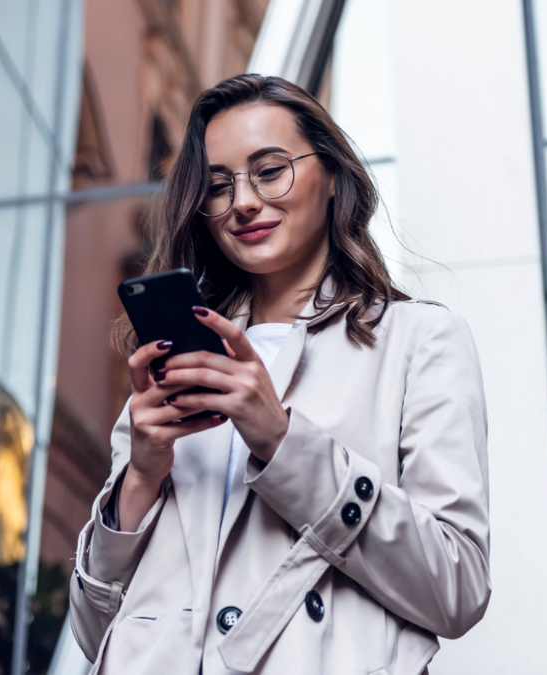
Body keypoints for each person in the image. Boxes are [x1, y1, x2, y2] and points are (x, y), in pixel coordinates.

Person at [68, 74, 489, 675]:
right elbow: (93, 632)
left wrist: (284, 443)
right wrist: (139, 477)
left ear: (334, 177)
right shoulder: (175, 366)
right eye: (218, 186)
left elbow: (459, 588)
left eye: (269, 170)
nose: (242, 202)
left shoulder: (418, 342)